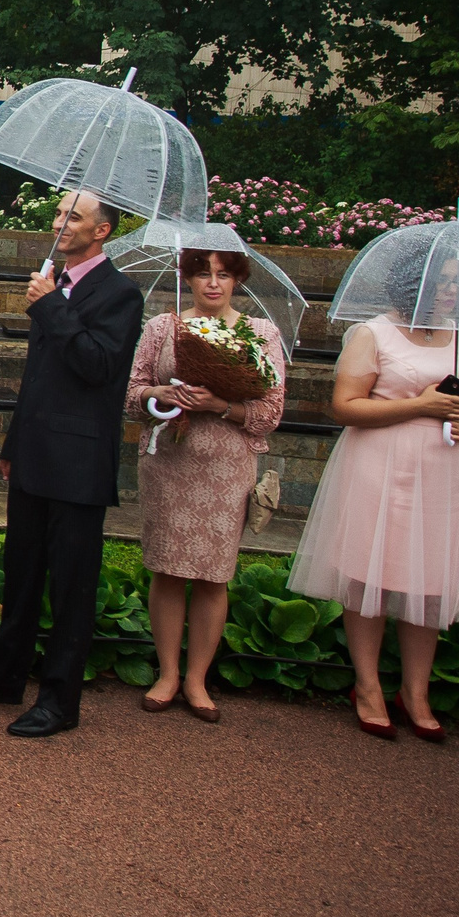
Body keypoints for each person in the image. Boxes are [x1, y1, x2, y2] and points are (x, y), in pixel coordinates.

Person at [290, 251, 459, 741]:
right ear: (412, 285)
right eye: (441, 282)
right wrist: (421, 406)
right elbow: (345, 407)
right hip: (379, 467)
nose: (451, 291)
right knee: (370, 573)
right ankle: (368, 688)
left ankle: (416, 692)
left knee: (429, 578)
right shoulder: (373, 334)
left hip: (446, 474)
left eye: (455, 282)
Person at [0, 189, 143, 737]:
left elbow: (98, 366)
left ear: (102, 231)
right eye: (58, 213)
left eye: (72, 217)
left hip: (80, 461)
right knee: (22, 572)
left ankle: (60, 701)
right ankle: (1, 676)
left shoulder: (120, 294)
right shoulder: (55, 283)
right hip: (35, 452)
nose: (59, 223)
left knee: (71, 586)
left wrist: (52, 307)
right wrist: (14, 445)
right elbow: (39, 380)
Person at [125, 249, 287, 723]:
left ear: (237, 280)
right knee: (168, 569)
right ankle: (168, 674)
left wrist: (219, 405)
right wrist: (160, 394)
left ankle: (197, 679)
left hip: (227, 466)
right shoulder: (164, 327)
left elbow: (271, 413)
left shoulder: (260, 334)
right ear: (188, 280)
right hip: (169, 462)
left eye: (222, 274)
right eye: (202, 273)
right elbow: (131, 395)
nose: (212, 283)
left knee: (214, 575)